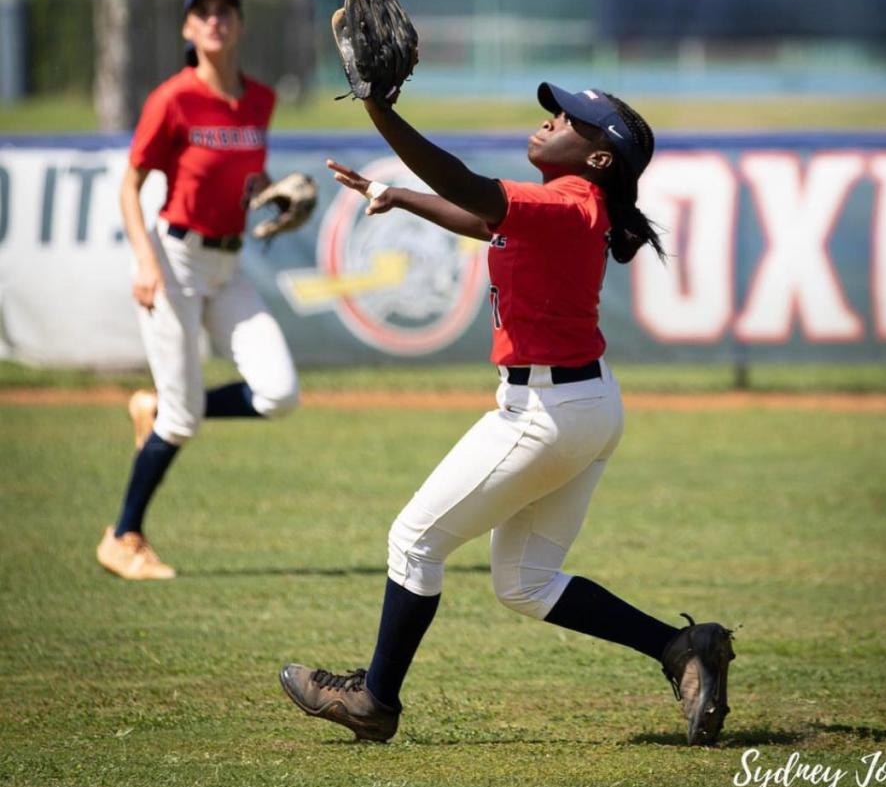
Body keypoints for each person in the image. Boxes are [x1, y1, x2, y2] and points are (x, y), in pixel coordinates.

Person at [279, 83, 734, 746]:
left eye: (572, 118)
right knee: (524, 582)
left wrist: (379, 110)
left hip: (544, 410)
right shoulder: (568, 204)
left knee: (414, 540)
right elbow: (483, 214)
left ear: (601, 158)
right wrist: (397, 195)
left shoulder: (572, 204)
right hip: (587, 403)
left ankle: (375, 700)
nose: (552, 119)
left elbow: (468, 186)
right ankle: (682, 647)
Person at [96, 0, 300, 581]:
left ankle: (159, 406)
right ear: (188, 30)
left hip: (229, 263)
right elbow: (130, 185)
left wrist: (273, 196)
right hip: (175, 261)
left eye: (225, 11)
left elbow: (245, 179)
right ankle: (123, 536)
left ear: (239, 25)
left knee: (280, 394)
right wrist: (145, 260)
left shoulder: (259, 99)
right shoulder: (173, 99)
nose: (214, 20)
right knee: (181, 424)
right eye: (202, 13)